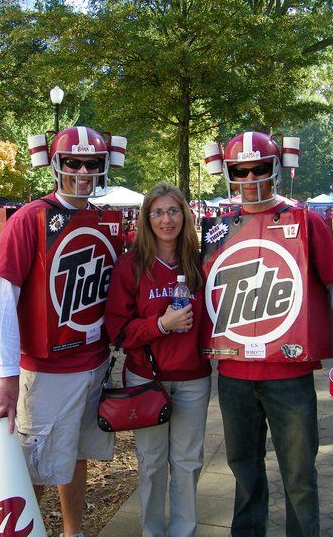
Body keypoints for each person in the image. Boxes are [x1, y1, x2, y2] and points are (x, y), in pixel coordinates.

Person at [206, 131, 333, 536]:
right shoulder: (217, 229)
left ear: (277, 167)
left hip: (288, 377)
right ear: (228, 172)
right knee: (244, 475)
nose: (251, 176)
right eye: (241, 168)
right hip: (234, 377)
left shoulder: (307, 221)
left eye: (260, 167)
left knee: (299, 477)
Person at [0, 126, 122, 537]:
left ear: (103, 166)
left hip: (93, 363)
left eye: (92, 163)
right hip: (47, 372)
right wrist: (7, 376)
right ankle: (12, 532)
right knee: (36, 467)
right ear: (56, 164)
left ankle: (72, 531)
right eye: (73, 162)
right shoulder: (29, 219)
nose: (83, 171)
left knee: (73, 456)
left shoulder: (103, 218)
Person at [105, 182, 211, 537]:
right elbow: (117, 331)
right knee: (151, 464)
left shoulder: (201, 260)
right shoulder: (131, 265)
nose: (167, 219)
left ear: (185, 214)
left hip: (194, 378)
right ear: (147, 218)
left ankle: (184, 530)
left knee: (187, 462)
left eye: (173, 211)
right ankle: (152, 531)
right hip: (146, 379)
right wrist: (161, 325)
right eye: (158, 212)